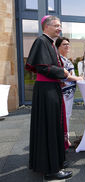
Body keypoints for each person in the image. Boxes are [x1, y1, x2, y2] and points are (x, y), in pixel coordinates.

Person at [25, 15, 73, 180]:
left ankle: (53, 162)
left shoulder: (49, 43)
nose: (60, 28)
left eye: (60, 25)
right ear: (46, 26)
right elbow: (43, 67)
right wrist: (64, 73)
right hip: (47, 91)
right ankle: (52, 170)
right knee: (50, 128)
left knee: (51, 127)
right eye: (56, 25)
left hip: (50, 89)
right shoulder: (41, 41)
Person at [55, 37, 83, 146]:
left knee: (67, 115)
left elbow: (71, 76)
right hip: (63, 93)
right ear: (58, 46)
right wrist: (78, 78)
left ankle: (64, 138)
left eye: (68, 44)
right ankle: (63, 140)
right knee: (64, 116)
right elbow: (64, 77)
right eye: (64, 44)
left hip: (69, 93)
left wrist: (77, 77)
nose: (67, 46)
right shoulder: (58, 59)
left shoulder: (66, 59)